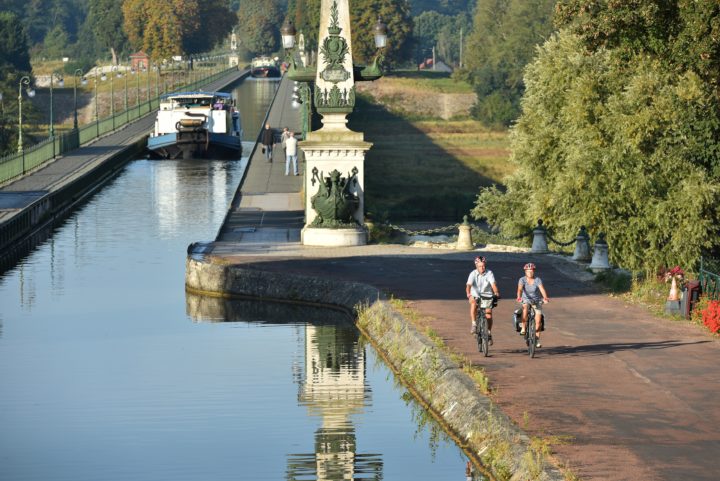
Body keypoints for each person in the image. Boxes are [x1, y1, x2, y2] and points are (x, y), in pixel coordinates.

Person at [465, 256, 500, 343]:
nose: (482, 268)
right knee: (473, 304)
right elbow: (468, 286)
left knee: (488, 314)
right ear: (476, 266)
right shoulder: (473, 273)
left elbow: (493, 285)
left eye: (483, 266)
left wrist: (496, 293)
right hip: (475, 295)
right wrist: (469, 294)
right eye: (480, 266)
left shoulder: (489, 273)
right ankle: (474, 324)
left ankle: (488, 333)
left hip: (487, 295)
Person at [515, 262, 550, 348]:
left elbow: (542, 289)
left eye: (532, 271)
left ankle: (537, 339)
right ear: (525, 272)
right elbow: (519, 289)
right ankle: (523, 328)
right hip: (525, 299)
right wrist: (519, 297)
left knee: (538, 322)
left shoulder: (537, 280)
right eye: (528, 271)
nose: (530, 273)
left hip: (536, 301)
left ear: (534, 271)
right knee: (525, 308)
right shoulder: (522, 279)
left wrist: (545, 298)